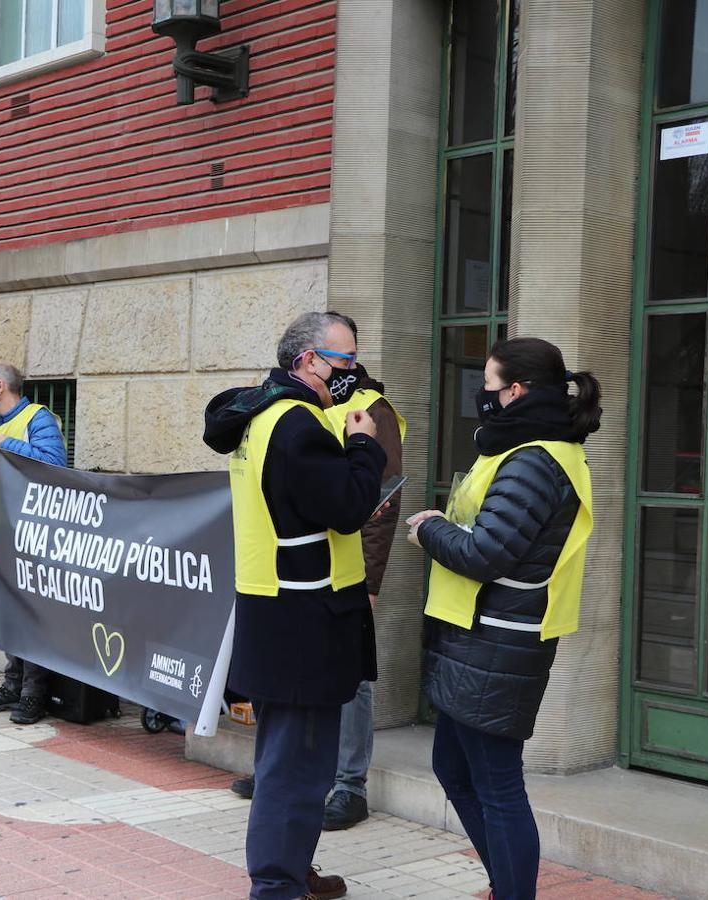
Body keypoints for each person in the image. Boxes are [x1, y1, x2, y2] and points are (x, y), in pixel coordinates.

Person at [406, 338, 599, 900]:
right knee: (455, 770)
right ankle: (506, 885)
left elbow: (487, 552)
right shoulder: (518, 450)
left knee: (496, 785)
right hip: (476, 638)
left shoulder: (536, 461)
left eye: (488, 385)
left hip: (497, 643)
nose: (481, 396)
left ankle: (514, 892)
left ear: (516, 391)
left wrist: (430, 528)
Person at [203, 311, 385, 900]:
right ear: (308, 360)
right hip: (306, 621)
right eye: (344, 360)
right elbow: (347, 506)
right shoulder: (297, 425)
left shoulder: (264, 416)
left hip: (281, 611)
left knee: (293, 760)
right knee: (295, 768)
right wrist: (362, 445)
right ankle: (277, 886)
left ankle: (292, 869)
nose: (352, 371)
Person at [322, 312, 405, 831]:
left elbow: (384, 500)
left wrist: (370, 581)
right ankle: (299, 771)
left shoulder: (371, 407)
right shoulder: (311, 404)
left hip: (350, 572)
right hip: (305, 571)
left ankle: (350, 787)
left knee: (351, 680)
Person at [0, 362, 68, 726]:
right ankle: (12, 684)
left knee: (33, 617)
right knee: (10, 616)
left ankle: (33, 694)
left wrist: (7, 444)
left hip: (35, 536)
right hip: (3, 537)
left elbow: (56, 464)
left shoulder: (36, 418)